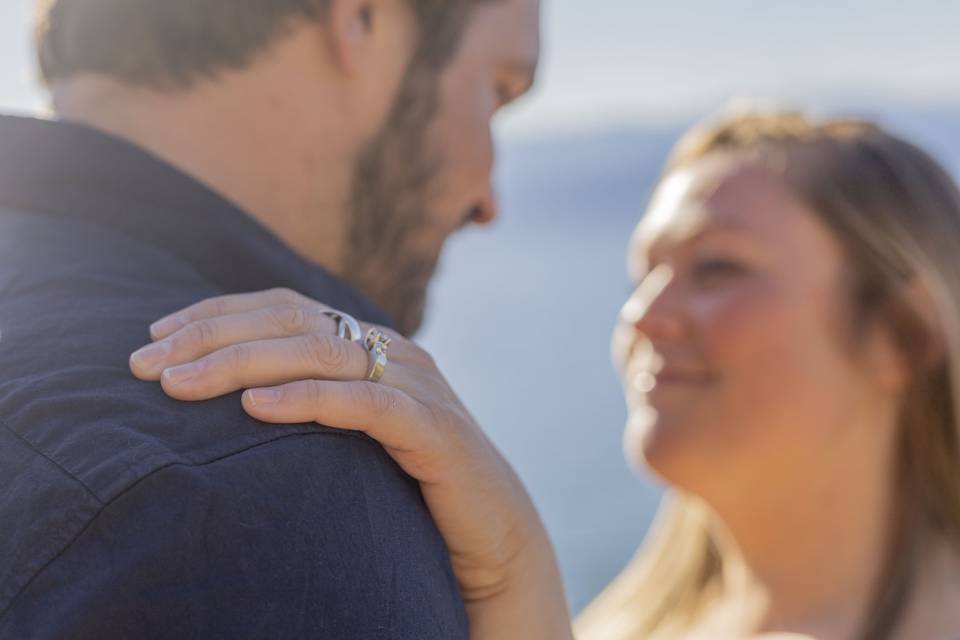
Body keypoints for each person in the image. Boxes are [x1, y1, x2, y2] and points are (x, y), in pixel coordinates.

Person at [134, 109, 960, 639]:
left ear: (902, 336)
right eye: (644, 272)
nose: (644, 315)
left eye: (718, 270)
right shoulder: (637, 621)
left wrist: (515, 570)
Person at [0, 0, 543, 637]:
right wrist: (518, 581)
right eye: (498, 90)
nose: (488, 203)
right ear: (363, 20)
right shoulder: (279, 507)